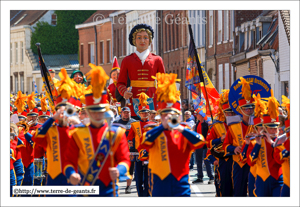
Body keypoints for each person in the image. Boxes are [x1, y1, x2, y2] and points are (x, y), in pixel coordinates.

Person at [64, 64, 130, 197]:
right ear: (87, 112)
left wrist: (119, 170)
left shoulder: (117, 133)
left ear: (105, 111)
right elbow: (68, 161)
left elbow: (125, 160)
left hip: (109, 189)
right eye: (93, 111)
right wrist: (71, 174)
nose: (97, 115)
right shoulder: (77, 134)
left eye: (100, 111)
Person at [140, 73, 206, 196]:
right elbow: (144, 142)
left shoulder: (183, 131)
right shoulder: (154, 132)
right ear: (161, 115)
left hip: (180, 184)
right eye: (165, 114)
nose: (169, 117)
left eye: (172, 114)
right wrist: (162, 127)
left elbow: (200, 142)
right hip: (160, 184)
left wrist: (181, 128)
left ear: (178, 116)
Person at [117, 23, 165, 119]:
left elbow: (163, 83)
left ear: (150, 40)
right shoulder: (127, 60)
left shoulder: (157, 59)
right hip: (133, 99)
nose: (142, 41)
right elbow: (120, 83)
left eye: (145, 37)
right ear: (134, 40)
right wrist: (124, 93)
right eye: (139, 37)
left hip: (153, 100)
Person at [247, 90, 283, 197]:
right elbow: (250, 162)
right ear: (265, 129)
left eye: (275, 128)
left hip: (278, 180)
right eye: (271, 129)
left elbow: (281, 159)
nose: (274, 131)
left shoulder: (281, 141)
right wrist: (257, 144)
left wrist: (273, 143)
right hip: (262, 181)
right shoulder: (256, 141)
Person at [223, 77, 253, 197]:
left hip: (254, 162)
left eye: (251, 107)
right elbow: (226, 145)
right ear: (241, 110)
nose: (250, 110)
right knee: (239, 192)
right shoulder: (233, 126)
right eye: (246, 108)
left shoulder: (257, 125)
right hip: (239, 163)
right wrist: (234, 149)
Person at [127, 93, 155, 197]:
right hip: (138, 153)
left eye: (146, 113)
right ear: (139, 113)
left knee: (148, 176)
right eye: (142, 113)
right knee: (138, 177)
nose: (144, 115)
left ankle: (147, 194)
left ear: (148, 113)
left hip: (150, 153)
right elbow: (129, 137)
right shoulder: (134, 125)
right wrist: (129, 142)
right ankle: (140, 195)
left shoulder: (154, 124)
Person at [113, 107, 137, 194]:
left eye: (128, 112)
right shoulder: (116, 123)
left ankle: (128, 186)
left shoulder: (134, 122)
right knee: (116, 167)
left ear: (130, 113)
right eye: (124, 112)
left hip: (131, 148)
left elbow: (137, 135)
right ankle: (116, 186)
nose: (126, 114)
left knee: (130, 168)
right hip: (118, 148)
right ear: (121, 113)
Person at [192, 110, 214, 184]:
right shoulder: (197, 123)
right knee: (198, 161)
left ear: (201, 115)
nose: (196, 116)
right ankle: (200, 177)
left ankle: (211, 177)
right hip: (198, 145)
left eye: (197, 114)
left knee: (207, 161)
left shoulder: (206, 124)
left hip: (205, 145)